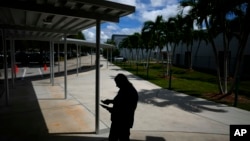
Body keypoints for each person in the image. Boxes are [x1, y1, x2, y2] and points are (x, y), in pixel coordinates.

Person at [101, 73, 138, 141]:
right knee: (115, 138)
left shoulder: (130, 92)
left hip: (123, 122)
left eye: (117, 83)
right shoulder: (124, 88)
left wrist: (112, 109)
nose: (116, 85)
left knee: (122, 138)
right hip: (118, 120)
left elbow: (127, 109)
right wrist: (110, 101)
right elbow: (121, 101)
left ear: (122, 82)